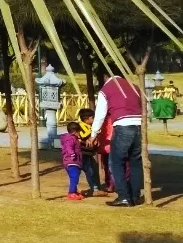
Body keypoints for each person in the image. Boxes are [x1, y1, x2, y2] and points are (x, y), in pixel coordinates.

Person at [90, 73, 143, 206]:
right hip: (138, 125)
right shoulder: (134, 87)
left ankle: (123, 196)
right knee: (135, 162)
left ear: (105, 77)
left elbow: (100, 114)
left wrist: (94, 134)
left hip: (122, 125)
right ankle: (135, 196)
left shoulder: (106, 89)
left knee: (116, 162)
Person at [36, 60, 64, 146]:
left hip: (47, 102)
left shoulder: (46, 82)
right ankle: (52, 139)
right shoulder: (53, 82)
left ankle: (52, 139)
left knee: (51, 123)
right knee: (51, 123)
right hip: (52, 102)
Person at [76, 107, 100, 196]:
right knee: (88, 170)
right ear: (86, 119)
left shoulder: (88, 126)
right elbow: (83, 135)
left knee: (91, 169)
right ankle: (94, 188)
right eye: (92, 118)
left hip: (88, 152)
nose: (93, 120)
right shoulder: (81, 126)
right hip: (83, 153)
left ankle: (95, 187)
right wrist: (93, 132)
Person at [60, 121, 85, 200]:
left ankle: (74, 191)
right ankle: (71, 193)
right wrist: (72, 154)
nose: (79, 134)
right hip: (71, 161)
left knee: (75, 177)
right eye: (79, 132)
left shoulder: (74, 138)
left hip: (75, 162)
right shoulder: (70, 138)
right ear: (75, 132)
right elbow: (68, 147)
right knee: (74, 177)